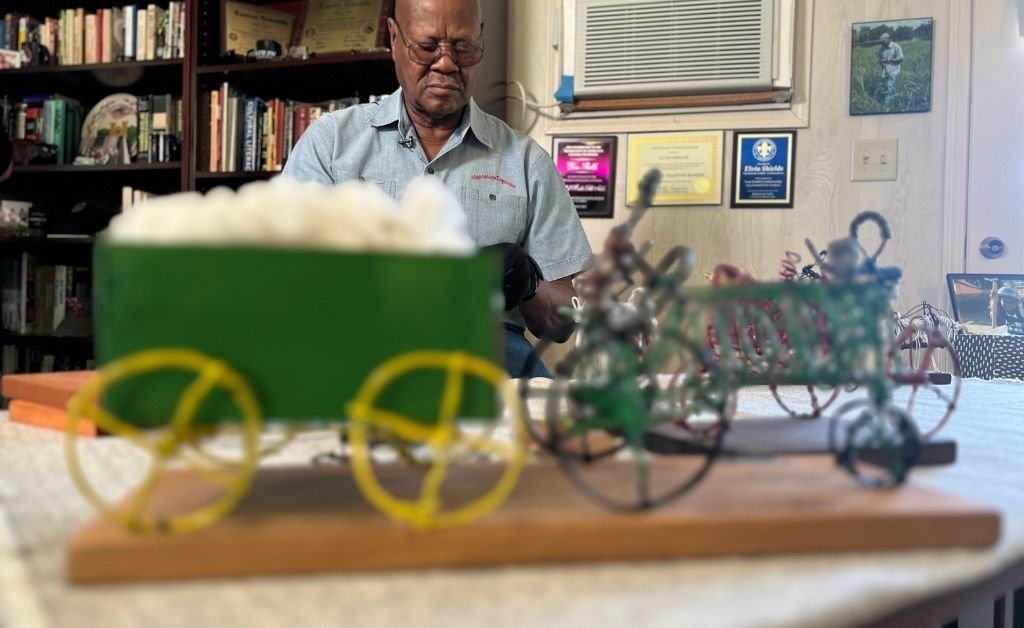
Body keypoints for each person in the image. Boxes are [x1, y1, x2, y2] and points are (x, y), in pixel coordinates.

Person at [282, 0, 592, 378]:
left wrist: (528, 285)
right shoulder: (330, 145)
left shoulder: (527, 162)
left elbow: (565, 321)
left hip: (489, 350)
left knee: (555, 426)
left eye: (463, 48)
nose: (446, 64)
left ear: (481, 42)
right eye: (427, 47)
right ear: (394, 38)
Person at [878, 32, 904, 109]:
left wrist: (891, 60)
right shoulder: (881, 48)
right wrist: (882, 62)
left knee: (889, 88)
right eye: (881, 41)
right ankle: (895, 101)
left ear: (889, 39)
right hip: (885, 71)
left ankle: (885, 106)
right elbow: (880, 59)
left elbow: (901, 59)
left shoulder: (896, 47)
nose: (882, 42)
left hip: (894, 70)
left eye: (883, 40)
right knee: (890, 87)